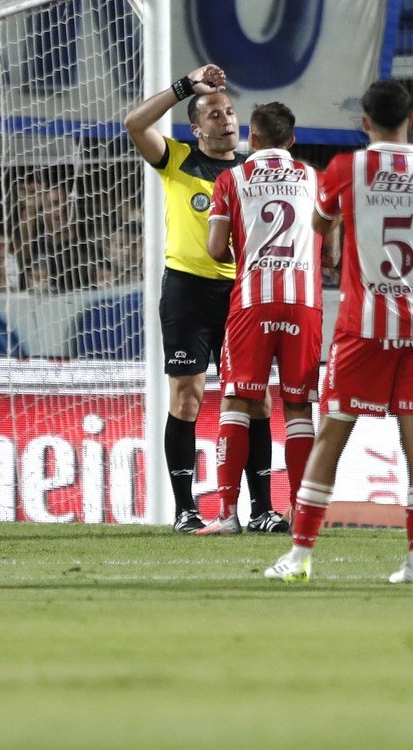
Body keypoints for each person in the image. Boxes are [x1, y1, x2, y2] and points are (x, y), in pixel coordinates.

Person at [264, 80, 413, 584]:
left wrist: (340, 240)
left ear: (364, 123)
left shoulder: (345, 170)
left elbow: (318, 230)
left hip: (362, 327)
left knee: (333, 434)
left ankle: (300, 556)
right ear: (411, 121)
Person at [124, 64, 285, 533]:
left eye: (231, 112)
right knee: (187, 399)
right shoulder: (175, 158)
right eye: (214, 114)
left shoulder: (255, 169)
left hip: (243, 293)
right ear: (196, 128)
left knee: (255, 401)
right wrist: (183, 88)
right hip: (188, 291)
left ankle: (261, 510)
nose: (227, 120)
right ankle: (185, 511)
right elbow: (135, 124)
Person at [196, 103, 322, 535]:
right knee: (298, 407)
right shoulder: (314, 179)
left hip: (253, 300)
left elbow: (215, 249)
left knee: (237, 400)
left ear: (252, 139)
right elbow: (335, 245)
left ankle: (227, 515)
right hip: (304, 301)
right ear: (291, 141)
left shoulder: (232, 178)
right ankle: (302, 512)